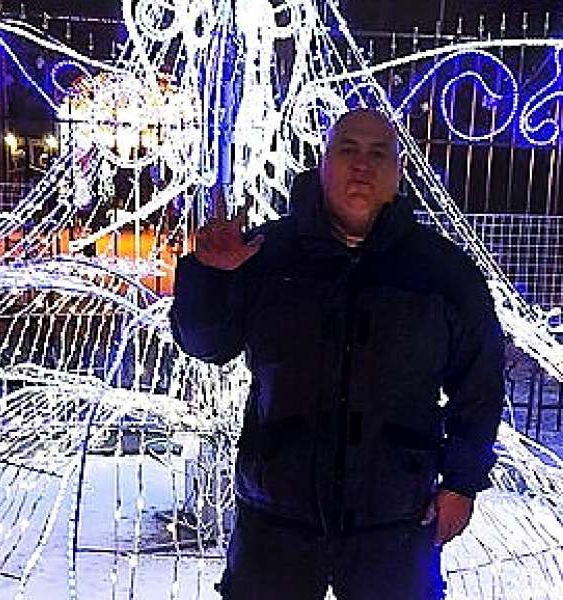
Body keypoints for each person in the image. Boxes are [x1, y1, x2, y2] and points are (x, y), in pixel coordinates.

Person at [170, 108, 505, 599]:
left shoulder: (443, 273)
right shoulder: (266, 251)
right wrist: (209, 275)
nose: (362, 164)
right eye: (348, 149)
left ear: (397, 171)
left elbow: (479, 384)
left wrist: (461, 481)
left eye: (378, 152)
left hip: (394, 517)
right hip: (276, 514)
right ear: (324, 162)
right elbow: (207, 345)